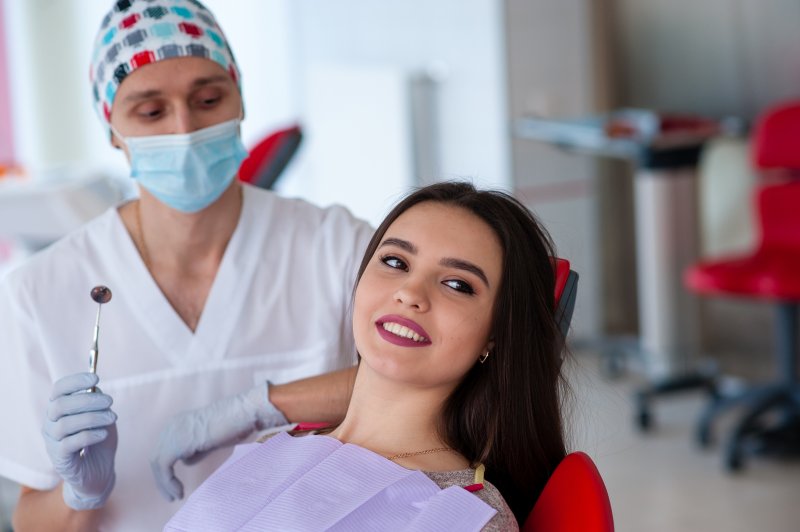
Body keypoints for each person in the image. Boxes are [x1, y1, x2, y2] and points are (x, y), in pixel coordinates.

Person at [0, 1, 372, 530]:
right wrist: (82, 495)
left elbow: (436, 384)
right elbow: (31, 520)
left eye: (208, 99)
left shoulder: (336, 245)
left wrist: (262, 405)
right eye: (151, 112)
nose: (185, 129)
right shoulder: (38, 294)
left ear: (240, 98)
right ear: (113, 130)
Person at [164, 182, 568, 531]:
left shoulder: (468, 516)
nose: (410, 292)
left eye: (457, 284)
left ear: (494, 336)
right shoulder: (275, 445)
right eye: (395, 261)